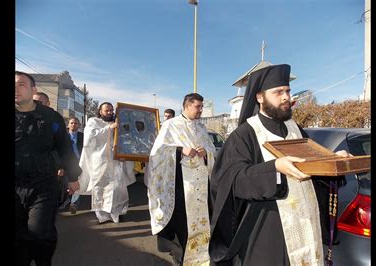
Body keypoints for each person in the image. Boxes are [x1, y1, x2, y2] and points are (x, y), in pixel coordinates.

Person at [208, 64, 350, 265]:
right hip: (267, 228)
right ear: (260, 97)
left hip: (307, 222)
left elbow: (311, 164)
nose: (286, 97)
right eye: (278, 92)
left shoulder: (296, 130)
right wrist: (274, 168)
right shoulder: (245, 134)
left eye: (287, 91)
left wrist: (334, 160)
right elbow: (230, 180)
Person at [15, 71, 81, 266]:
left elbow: (65, 148)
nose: (16, 89)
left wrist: (73, 177)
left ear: (33, 89)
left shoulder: (51, 117)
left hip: (43, 185)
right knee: (18, 235)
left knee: (39, 233)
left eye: (21, 84)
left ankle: (44, 260)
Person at [147, 93, 216, 265]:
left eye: (201, 106)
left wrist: (206, 154)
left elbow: (212, 151)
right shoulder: (171, 125)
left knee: (204, 219)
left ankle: (202, 254)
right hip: (180, 184)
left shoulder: (201, 128)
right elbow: (157, 153)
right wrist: (179, 150)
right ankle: (181, 256)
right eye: (197, 107)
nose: (200, 110)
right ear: (186, 106)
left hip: (201, 185)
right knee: (181, 223)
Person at [77, 102, 130, 223]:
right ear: (100, 111)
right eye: (107, 110)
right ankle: (103, 216)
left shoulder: (118, 122)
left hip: (116, 160)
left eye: (111, 110)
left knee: (118, 188)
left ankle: (118, 212)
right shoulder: (93, 121)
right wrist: (108, 128)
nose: (110, 112)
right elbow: (90, 138)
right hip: (100, 161)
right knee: (101, 188)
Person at [66, 117, 84, 214]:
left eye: (76, 123)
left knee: (77, 183)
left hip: (79, 162)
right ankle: (68, 201)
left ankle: (74, 204)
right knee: (67, 183)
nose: (73, 125)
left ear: (79, 126)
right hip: (67, 163)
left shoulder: (83, 136)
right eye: (72, 123)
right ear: (68, 125)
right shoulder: (63, 136)